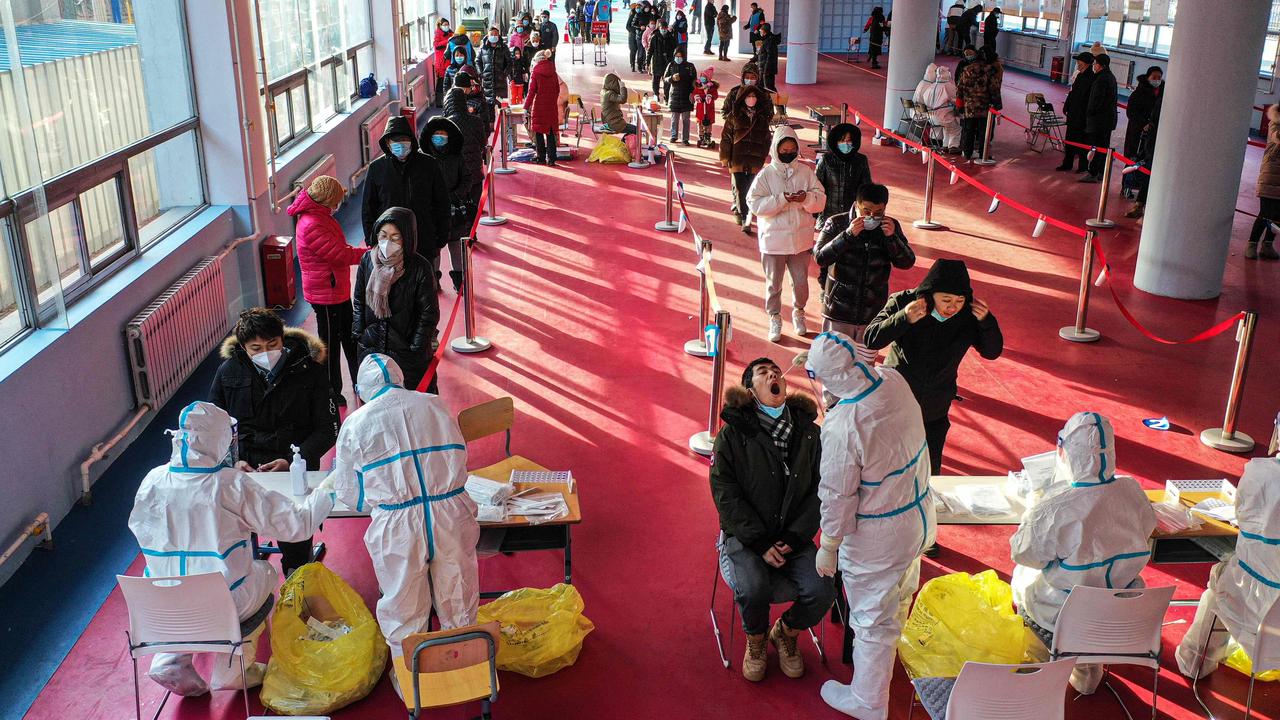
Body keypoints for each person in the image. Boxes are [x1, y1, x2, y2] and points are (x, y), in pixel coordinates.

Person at [130, 401, 334, 697]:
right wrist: (327, 490)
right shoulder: (230, 485)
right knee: (264, 572)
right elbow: (297, 527)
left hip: (161, 606)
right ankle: (234, 668)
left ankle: (171, 657)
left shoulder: (152, 480)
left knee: (179, 582)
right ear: (219, 439)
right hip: (221, 605)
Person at [807, 331, 936, 720]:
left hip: (878, 536)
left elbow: (838, 495)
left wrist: (828, 545)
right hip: (917, 516)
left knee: (870, 620)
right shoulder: (894, 381)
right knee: (897, 599)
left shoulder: (845, 424)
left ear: (831, 380)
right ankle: (882, 668)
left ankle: (869, 701)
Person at [330, 354, 479, 673]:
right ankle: (465, 665)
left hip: (397, 524)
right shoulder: (435, 404)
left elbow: (349, 491)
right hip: (450, 511)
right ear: (400, 378)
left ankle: (412, 674)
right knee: (458, 589)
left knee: (402, 602)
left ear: (361, 390)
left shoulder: (356, 423)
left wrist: (379, 503)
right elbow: (460, 454)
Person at [1010, 412, 1157, 694]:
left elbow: (1024, 553)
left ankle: (1038, 671)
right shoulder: (1132, 490)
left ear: (1066, 452)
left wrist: (1034, 511)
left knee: (1023, 576)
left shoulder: (1056, 508)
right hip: (1121, 616)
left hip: (1064, 618)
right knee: (1095, 580)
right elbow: (1147, 526)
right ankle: (1088, 670)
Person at [709, 357, 834, 682]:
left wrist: (795, 537)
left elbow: (822, 488)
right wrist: (760, 542)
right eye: (764, 374)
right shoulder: (732, 435)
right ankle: (757, 640)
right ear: (750, 392)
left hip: (793, 536)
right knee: (753, 589)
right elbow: (725, 493)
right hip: (746, 537)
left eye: (776, 372)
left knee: (823, 589)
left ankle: (786, 632)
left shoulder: (809, 434)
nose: (774, 375)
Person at [208, 307, 337, 577]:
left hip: (293, 471)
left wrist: (293, 460)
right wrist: (234, 460)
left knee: (295, 544)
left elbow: (327, 430)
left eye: (272, 344)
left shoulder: (310, 372)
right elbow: (214, 428)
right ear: (243, 348)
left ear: (283, 339)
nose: (265, 353)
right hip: (245, 472)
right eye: (256, 348)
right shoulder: (228, 373)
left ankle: (297, 574)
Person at [864, 259, 1003, 479]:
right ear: (930, 293)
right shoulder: (904, 302)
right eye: (946, 299)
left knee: (928, 471)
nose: (952, 307)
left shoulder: (968, 316)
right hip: (895, 402)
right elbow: (871, 338)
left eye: (959, 300)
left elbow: (992, 351)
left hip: (935, 407)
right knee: (886, 467)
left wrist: (987, 321)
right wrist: (904, 318)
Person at [1176, 456, 1280, 678]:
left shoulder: (1259, 471)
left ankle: (1195, 664)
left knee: (1219, 587)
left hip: (1256, 612)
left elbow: (1243, 514)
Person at [814, 184, 914, 362]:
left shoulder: (890, 227)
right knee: (833, 363)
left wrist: (892, 238)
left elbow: (906, 262)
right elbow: (820, 257)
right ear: (856, 204)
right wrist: (847, 235)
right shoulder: (837, 223)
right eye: (866, 210)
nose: (871, 216)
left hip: (871, 311)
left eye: (878, 212)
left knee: (864, 367)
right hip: (838, 310)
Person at [288, 176, 366, 401]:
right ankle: (332, 390)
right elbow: (339, 254)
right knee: (330, 343)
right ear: (327, 200)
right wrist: (368, 254)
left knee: (350, 338)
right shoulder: (313, 224)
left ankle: (359, 380)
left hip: (333, 289)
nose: (336, 206)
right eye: (335, 201)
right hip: (326, 294)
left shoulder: (319, 216)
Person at [748, 126, 826, 341]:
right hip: (773, 242)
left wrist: (806, 199)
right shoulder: (766, 174)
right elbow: (755, 204)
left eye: (792, 148)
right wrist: (782, 199)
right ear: (776, 149)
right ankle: (774, 316)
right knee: (774, 284)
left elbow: (820, 199)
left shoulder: (806, 172)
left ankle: (799, 312)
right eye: (784, 149)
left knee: (801, 282)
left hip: (800, 241)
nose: (788, 152)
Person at [353, 207, 440, 394]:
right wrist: (360, 333)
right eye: (383, 236)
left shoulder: (419, 268)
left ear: (407, 238)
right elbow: (359, 299)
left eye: (395, 237)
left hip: (406, 353)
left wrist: (415, 347)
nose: (386, 243)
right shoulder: (368, 260)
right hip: (372, 347)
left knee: (415, 402)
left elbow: (428, 313)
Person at [361, 116, 451, 256]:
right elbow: (368, 208)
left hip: (424, 238)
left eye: (404, 139)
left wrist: (441, 237)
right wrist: (371, 240)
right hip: (389, 242)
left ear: (412, 141)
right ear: (387, 142)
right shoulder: (377, 168)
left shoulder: (429, 165)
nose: (401, 144)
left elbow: (442, 202)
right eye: (395, 141)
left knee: (427, 276)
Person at [420, 117, 472, 292]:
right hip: (432, 211)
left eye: (443, 134)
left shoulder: (457, 157)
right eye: (436, 134)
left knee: (455, 245)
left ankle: (460, 281)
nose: (439, 137)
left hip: (454, 208)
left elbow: (467, 178)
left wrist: (455, 195)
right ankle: (434, 282)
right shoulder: (423, 159)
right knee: (434, 248)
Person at [720, 83, 772, 232]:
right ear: (742, 98)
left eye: (754, 96)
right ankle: (745, 218)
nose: (751, 99)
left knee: (751, 188)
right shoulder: (734, 116)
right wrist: (725, 157)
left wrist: (762, 156)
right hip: (737, 159)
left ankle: (747, 213)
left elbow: (766, 139)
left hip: (755, 159)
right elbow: (726, 138)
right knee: (739, 188)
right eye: (749, 96)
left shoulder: (761, 117)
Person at [443, 72, 488, 215]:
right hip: (474, 170)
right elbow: (482, 143)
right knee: (474, 207)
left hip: (455, 174)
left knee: (458, 210)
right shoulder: (475, 121)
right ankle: (473, 233)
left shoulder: (445, 125)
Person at [815, 123, 873, 231]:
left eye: (849, 140)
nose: (846, 144)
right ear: (836, 142)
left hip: (852, 216)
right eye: (842, 140)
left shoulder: (861, 160)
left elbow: (866, 188)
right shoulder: (826, 160)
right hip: (828, 216)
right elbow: (816, 187)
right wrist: (815, 215)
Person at [1247, 104, 1280, 259]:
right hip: (1270, 175)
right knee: (1265, 213)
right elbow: (1276, 137)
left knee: (1278, 216)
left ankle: (1267, 245)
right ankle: (1252, 244)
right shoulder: (1275, 121)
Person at [955, 47, 1000, 161]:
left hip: (969, 107)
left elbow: (959, 89)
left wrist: (959, 105)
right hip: (985, 107)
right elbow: (994, 89)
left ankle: (967, 153)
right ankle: (982, 154)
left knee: (968, 130)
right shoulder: (989, 70)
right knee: (984, 132)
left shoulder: (966, 70)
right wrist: (997, 105)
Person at [1057, 52, 1096, 172]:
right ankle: (1067, 163)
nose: (1078, 64)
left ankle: (1083, 166)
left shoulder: (1092, 79)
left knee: (1082, 142)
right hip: (1073, 115)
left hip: (1082, 116)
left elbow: (1089, 100)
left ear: (1088, 64)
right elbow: (1072, 93)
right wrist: (1067, 105)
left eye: (1080, 62)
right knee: (1069, 141)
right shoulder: (1079, 76)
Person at [1081, 54, 1117, 184]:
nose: (1093, 66)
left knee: (1096, 147)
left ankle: (1093, 172)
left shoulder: (1101, 79)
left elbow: (1097, 100)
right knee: (1103, 146)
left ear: (1101, 65)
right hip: (1107, 120)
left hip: (1099, 121)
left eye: (1095, 63)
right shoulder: (1110, 77)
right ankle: (1101, 172)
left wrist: (1089, 113)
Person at [524, 50, 562, 167]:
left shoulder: (535, 73)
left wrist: (526, 106)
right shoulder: (553, 72)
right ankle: (552, 158)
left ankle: (541, 157)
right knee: (551, 132)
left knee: (539, 132)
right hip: (551, 106)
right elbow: (557, 89)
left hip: (539, 106)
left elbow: (531, 92)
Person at [914, 64, 961, 153]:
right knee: (955, 128)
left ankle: (945, 145)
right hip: (943, 116)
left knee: (947, 128)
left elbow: (924, 99)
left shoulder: (931, 86)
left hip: (931, 117)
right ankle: (953, 146)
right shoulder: (948, 86)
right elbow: (956, 98)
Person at [665, 49, 697, 144]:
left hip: (686, 95)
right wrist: (672, 78)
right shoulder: (671, 65)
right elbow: (665, 78)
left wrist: (692, 92)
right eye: (676, 56)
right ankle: (673, 136)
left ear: (684, 56)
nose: (678, 58)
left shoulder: (690, 66)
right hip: (674, 94)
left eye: (680, 56)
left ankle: (685, 138)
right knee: (674, 118)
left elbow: (694, 81)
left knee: (685, 119)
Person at [477, 27, 512, 105]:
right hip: (487, 82)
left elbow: (510, 62)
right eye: (491, 34)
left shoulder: (504, 47)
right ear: (488, 35)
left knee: (501, 105)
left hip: (501, 83)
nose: (493, 36)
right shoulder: (483, 48)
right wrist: (481, 73)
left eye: (495, 34)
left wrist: (504, 74)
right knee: (488, 107)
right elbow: (477, 61)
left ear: (499, 35)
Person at [649, 18, 677, 102]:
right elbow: (650, 51)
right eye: (662, 28)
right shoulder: (654, 37)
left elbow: (675, 50)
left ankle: (666, 96)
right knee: (656, 80)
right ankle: (656, 94)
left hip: (667, 63)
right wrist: (647, 62)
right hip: (657, 62)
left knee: (667, 81)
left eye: (665, 28)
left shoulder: (671, 38)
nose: (664, 30)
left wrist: (673, 61)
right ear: (659, 28)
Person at [693, 67, 720, 147]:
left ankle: (707, 137)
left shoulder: (712, 88)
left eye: (704, 77)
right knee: (700, 124)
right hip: (700, 110)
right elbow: (694, 93)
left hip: (709, 109)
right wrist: (696, 97)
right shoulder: (698, 87)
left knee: (708, 125)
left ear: (708, 78)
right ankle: (701, 137)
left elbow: (716, 95)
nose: (702, 78)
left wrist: (710, 96)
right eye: (701, 76)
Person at [754, 23, 782, 91]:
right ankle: (764, 101)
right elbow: (762, 54)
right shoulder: (765, 39)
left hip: (767, 70)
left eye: (761, 30)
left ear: (764, 31)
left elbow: (771, 56)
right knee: (761, 86)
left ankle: (775, 101)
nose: (760, 32)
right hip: (762, 68)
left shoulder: (769, 41)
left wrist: (766, 70)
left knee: (769, 87)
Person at [433, 18, 453, 107]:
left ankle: (449, 101)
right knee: (441, 83)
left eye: (447, 24)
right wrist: (447, 41)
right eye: (444, 25)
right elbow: (436, 45)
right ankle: (439, 103)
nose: (446, 26)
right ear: (440, 25)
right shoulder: (438, 34)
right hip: (441, 63)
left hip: (449, 62)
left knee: (449, 82)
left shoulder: (450, 33)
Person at [627, 1, 650, 72]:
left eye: (640, 7)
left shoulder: (643, 15)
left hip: (640, 36)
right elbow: (628, 27)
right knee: (633, 51)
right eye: (637, 7)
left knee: (641, 51)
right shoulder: (632, 14)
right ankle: (632, 65)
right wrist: (636, 29)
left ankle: (641, 65)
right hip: (632, 36)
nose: (639, 9)